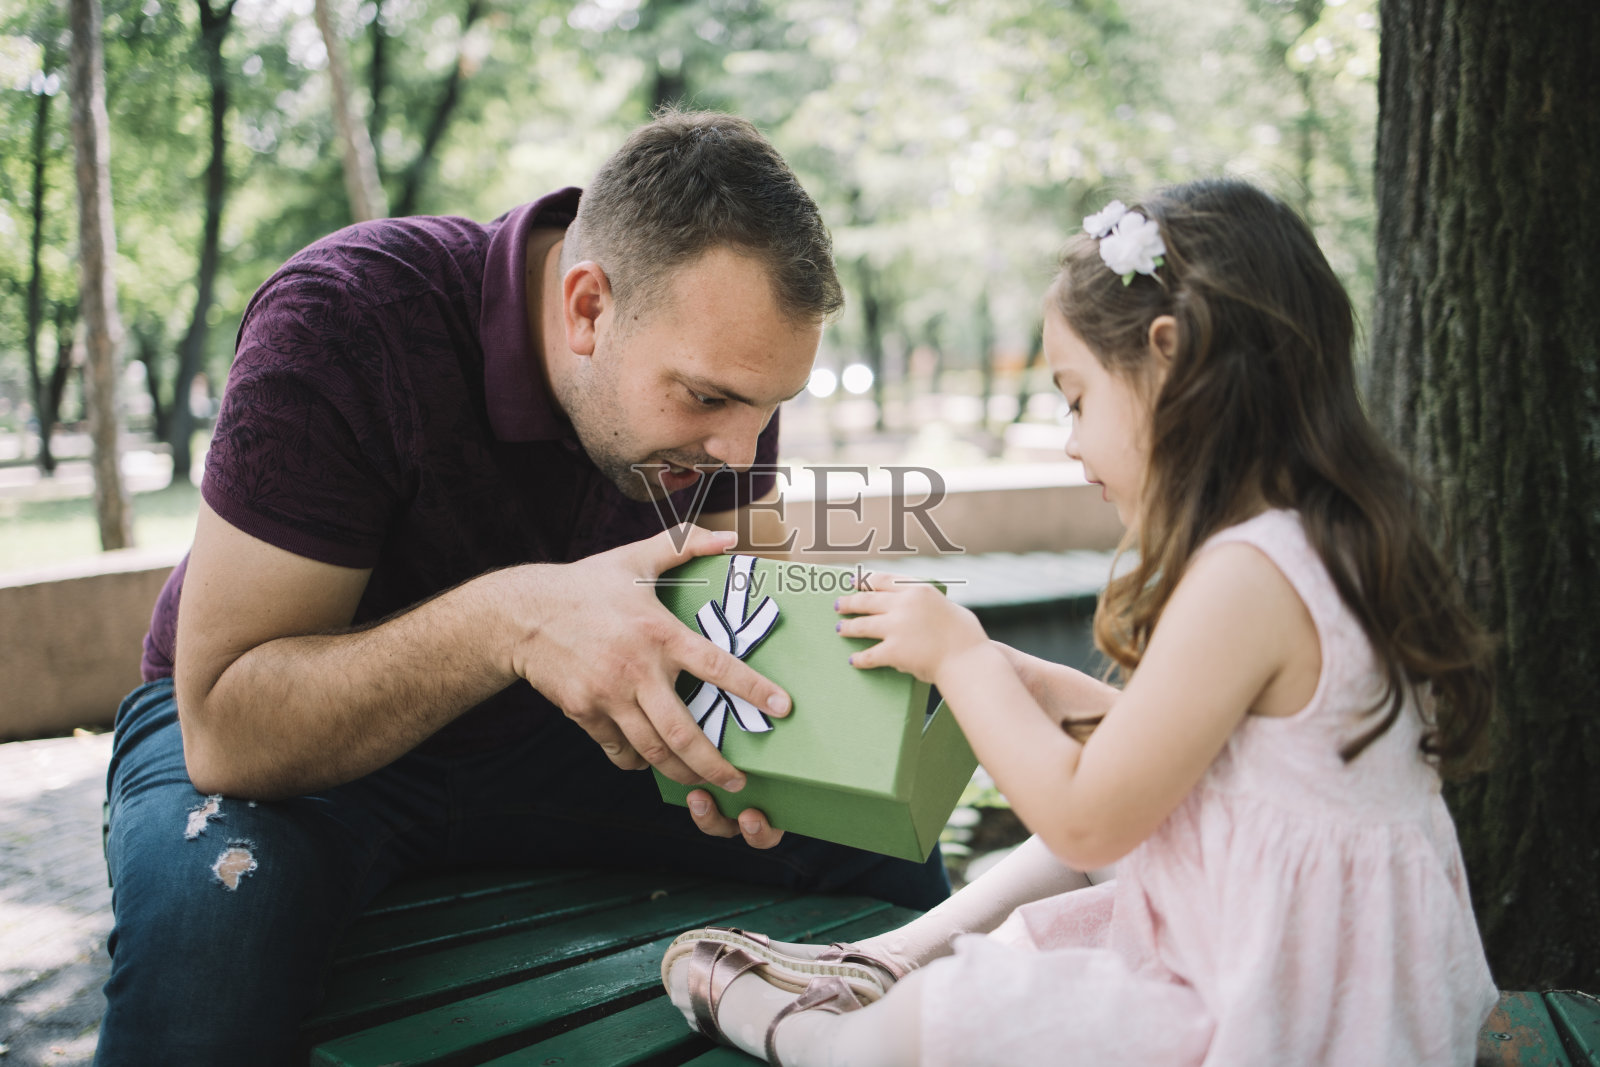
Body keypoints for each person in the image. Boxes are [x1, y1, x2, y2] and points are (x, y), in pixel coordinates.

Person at [97, 110, 950, 1065]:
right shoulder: (346, 314)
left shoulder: (722, 390)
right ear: (588, 307)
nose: (741, 452)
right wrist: (516, 619)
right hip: (296, 752)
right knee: (213, 943)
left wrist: (808, 720)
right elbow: (225, 726)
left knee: (892, 851)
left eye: (768, 408)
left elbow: (747, 605)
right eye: (708, 398)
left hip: (571, 744)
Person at [661, 178, 1500, 1066]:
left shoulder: (1246, 578)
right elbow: (1202, 764)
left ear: (1167, 364)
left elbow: (1086, 822)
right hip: (1336, 974)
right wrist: (1015, 675)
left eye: (1077, 397)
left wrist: (963, 659)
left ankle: (814, 1036)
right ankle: (885, 959)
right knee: (1078, 892)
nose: (1068, 438)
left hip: (1273, 1017)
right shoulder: (1329, 544)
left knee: (957, 1014)